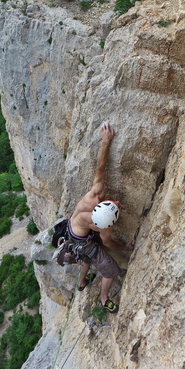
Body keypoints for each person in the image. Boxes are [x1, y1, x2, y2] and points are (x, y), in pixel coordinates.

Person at [69, 122, 134, 313]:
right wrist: (126, 248)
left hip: (73, 230)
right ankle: (104, 299)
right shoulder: (104, 227)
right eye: (116, 207)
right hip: (83, 241)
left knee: (86, 259)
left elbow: (101, 167)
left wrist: (106, 141)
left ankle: (81, 282)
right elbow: (108, 244)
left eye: (114, 205)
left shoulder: (94, 196)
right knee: (111, 269)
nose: (118, 204)